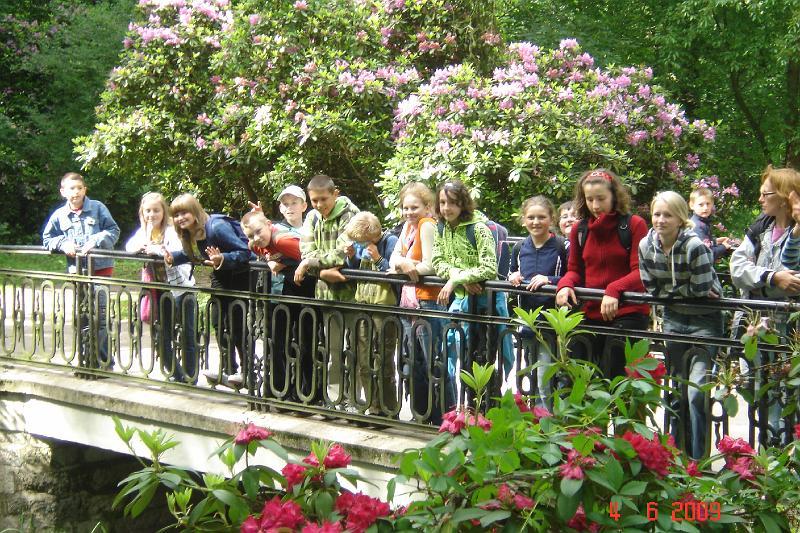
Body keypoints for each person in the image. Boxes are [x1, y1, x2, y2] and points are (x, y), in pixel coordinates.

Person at [639, 191, 722, 459]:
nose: (661, 220)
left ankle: (699, 459)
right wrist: (683, 291)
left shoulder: (695, 246)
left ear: (680, 218)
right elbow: (651, 287)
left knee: (697, 391)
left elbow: (702, 289)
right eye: (657, 214)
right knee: (676, 389)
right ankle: (677, 455)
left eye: (668, 215)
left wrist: (672, 292)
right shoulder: (646, 246)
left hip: (704, 320)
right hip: (673, 318)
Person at [555, 168, 650, 378]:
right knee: (579, 374)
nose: (595, 206)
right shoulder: (580, 229)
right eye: (590, 200)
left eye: (601, 199)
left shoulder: (634, 225)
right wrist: (565, 285)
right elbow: (575, 270)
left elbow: (641, 272)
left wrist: (614, 290)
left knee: (615, 374)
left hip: (628, 313)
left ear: (614, 196)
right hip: (592, 313)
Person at [733, 165, 800, 445]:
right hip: (756, 329)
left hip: (790, 332)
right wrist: (771, 277)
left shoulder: (796, 233)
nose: (760, 199)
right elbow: (737, 268)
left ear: (784, 197)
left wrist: (762, 280)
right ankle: (766, 454)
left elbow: (794, 279)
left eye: (766, 194)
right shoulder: (760, 228)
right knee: (759, 391)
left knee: (788, 395)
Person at [432, 180, 513, 405]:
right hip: (462, 303)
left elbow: (489, 267)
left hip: (487, 305)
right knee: (464, 362)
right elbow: (438, 262)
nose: (446, 208)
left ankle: (489, 413)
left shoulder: (478, 228)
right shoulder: (441, 228)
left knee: (485, 362)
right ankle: (470, 412)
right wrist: (461, 277)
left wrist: (457, 279)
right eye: (442, 202)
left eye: (452, 203)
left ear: (463, 204)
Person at [165, 193, 254, 389]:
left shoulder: (217, 226)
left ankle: (248, 373)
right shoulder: (190, 232)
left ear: (195, 211)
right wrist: (175, 257)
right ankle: (228, 370)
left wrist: (223, 258)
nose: (180, 218)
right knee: (218, 323)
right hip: (221, 276)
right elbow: (195, 255)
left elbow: (245, 252)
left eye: (184, 213)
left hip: (240, 277)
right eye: (176, 215)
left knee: (237, 326)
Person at [42, 172, 120, 367]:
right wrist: (63, 243)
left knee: (101, 317)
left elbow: (114, 231)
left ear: (85, 190)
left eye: (79, 188)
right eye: (71, 188)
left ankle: (103, 362)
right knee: (83, 317)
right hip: (77, 273)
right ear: (63, 192)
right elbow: (47, 238)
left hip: (101, 271)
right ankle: (86, 360)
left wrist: (96, 240)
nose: (75, 192)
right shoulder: (60, 215)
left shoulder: (98, 208)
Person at [294, 174, 360, 406]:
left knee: (354, 351)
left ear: (335, 193)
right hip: (325, 295)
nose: (320, 205)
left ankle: (355, 401)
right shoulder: (312, 217)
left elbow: (342, 253)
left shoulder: (351, 215)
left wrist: (310, 264)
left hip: (352, 294)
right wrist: (321, 271)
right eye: (314, 200)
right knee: (332, 350)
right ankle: (335, 399)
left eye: (324, 199)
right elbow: (306, 251)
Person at [389, 182, 451, 422]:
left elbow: (432, 266)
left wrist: (405, 266)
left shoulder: (427, 225)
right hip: (409, 301)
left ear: (427, 207)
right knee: (414, 361)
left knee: (434, 360)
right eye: (405, 208)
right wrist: (404, 264)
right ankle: (422, 414)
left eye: (414, 207)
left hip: (428, 301)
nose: (409, 212)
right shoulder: (408, 227)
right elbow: (393, 258)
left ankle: (443, 416)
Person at [241, 209, 316, 401]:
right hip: (289, 291)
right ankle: (282, 392)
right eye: (251, 235)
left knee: (305, 344)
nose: (256, 238)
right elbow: (258, 248)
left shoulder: (282, 240)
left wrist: (283, 261)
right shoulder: (256, 244)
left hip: (308, 291)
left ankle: (307, 394)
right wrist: (271, 259)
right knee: (282, 343)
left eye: (258, 231)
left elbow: (311, 254)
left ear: (269, 225)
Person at [125, 192, 197, 383]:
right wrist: (142, 245)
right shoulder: (145, 231)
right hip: (159, 290)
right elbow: (129, 246)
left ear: (164, 212)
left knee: (188, 333)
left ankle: (191, 377)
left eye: (156, 210)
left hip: (182, 287)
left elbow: (176, 252)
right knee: (162, 334)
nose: (152, 215)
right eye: (148, 211)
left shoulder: (172, 230)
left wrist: (155, 250)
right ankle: (176, 374)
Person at [508, 196, 567, 406]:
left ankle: (548, 419)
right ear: (523, 220)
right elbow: (510, 271)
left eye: (541, 217)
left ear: (551, 219)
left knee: (545, 379)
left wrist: (549, 280)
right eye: (531, 217)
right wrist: (513, 276)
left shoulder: (561, 246)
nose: (536, 222)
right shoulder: (519, 247)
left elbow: (572, 277)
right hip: (527, 321)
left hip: (552, 322)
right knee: (531, 375)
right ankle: (537, 416)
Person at [344, 211, 400, 415]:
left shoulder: (390, 241)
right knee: (363, 358)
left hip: (383, 308)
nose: (359, 244)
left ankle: (387, 408)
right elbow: (356, 269)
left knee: (383, 358)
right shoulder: (362, 244)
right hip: (363, 304)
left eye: (361, 241)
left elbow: (395, 273)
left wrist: (378, 258)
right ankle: (370, 405)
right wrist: (352, 256)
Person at [688, 187, 733, 261]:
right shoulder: (698, 226)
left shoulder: (701, 222)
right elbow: (707, 254)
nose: (705, 208)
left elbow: (704, 243)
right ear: (692, 205)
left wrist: (715, 241)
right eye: (701, 205)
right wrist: (724, 246)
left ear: (712, 204)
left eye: (708, 204)